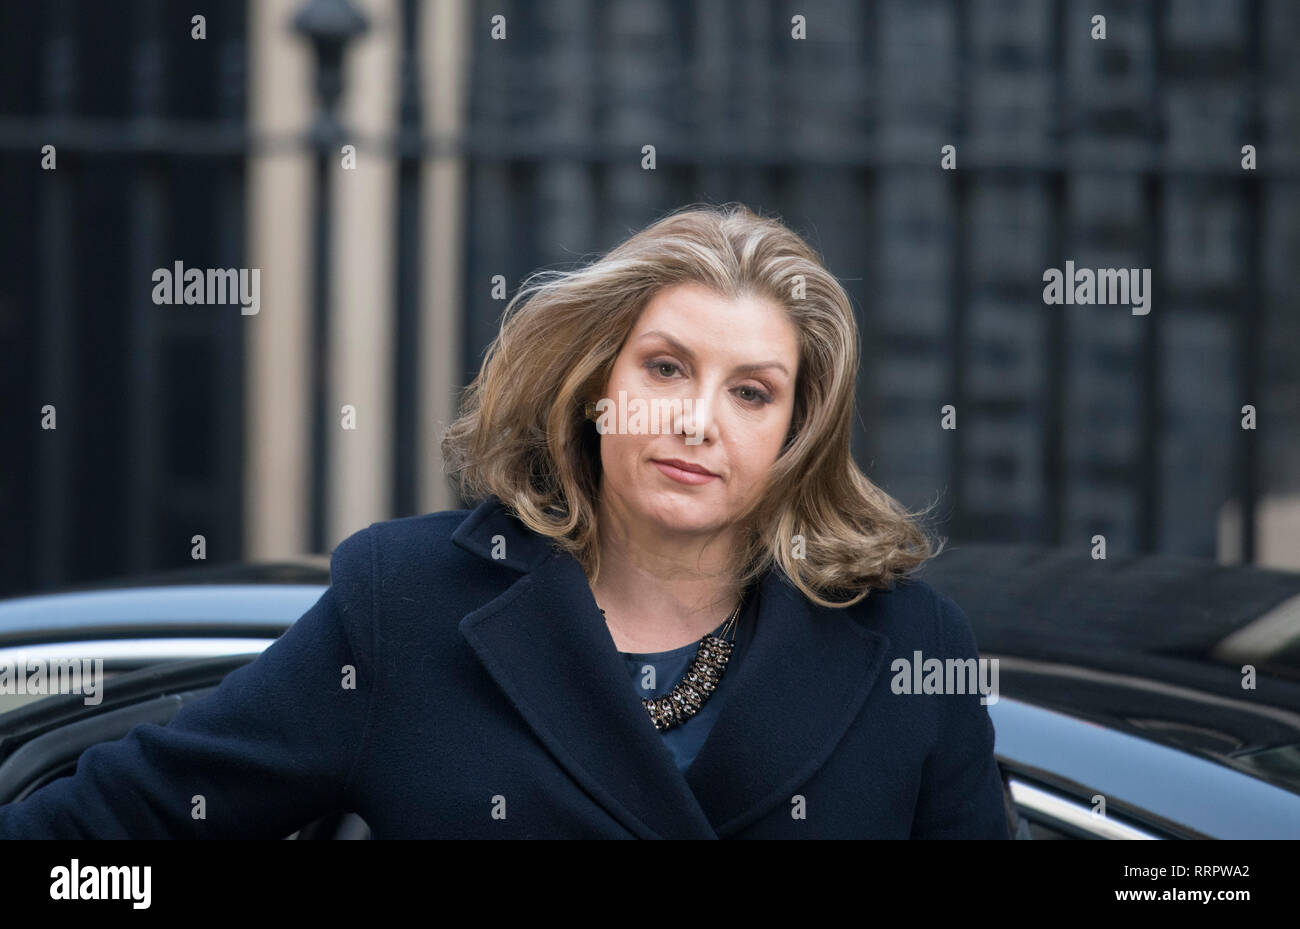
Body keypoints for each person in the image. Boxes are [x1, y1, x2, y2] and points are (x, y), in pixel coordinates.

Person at [0, 203, 1010, 839]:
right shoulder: (408, 607)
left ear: (795, 431)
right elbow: (112, 832)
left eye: (752, 392)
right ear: (593, 384)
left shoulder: (902, 646)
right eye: (665, 367)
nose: (696, 420)